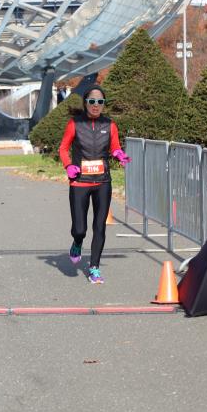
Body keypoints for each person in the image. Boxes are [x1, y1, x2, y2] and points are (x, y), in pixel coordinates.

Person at [58, 85, 130, 284]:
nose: (96, 105)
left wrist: (119, 154)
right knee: (79, 229)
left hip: (102, 182)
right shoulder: (75, 123)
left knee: (99, 227)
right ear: (85, 103)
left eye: (100, 102)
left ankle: (94, 268)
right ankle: (77, 242)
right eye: (92, 101)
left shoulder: (110, 124)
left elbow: (115, 147)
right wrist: (68, 166)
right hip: (80, 182)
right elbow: (63, 148)